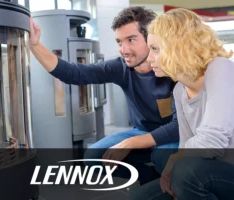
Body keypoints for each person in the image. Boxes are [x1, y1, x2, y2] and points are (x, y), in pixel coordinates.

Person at [29, 6, 179, 185]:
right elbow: (73, 73)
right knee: (93, 157)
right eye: (119, 42)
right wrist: (35, 45)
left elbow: (178, 126)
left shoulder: (173, 69)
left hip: (173, 135)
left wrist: (131, 144)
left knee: (163, 157)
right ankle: (149, 180)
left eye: (131, 40)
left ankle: (167, 185)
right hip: (142, 131)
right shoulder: (120, 67)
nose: (124, 49)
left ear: (151, 38)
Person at [130, 8, 234, 200]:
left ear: (179, 46)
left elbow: (212, 141)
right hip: (211, 168)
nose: (149, 57)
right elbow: (186, 143)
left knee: (186, 171)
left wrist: (175, 163)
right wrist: (175, 171)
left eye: (155, 49)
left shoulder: (220, 68)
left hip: (223, 170)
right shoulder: (179, 90)